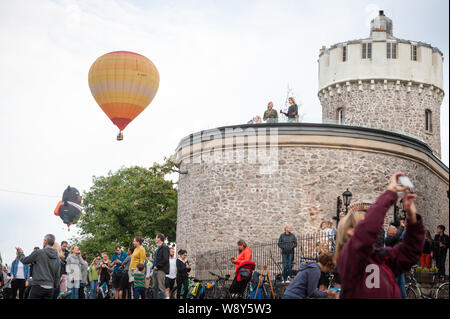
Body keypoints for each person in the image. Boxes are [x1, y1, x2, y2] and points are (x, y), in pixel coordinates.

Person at [335, 172, 425, 299]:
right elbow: (367, 229)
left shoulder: (380, 258)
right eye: (363, 222)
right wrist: (390, 193)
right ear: (350, 231)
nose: (372, 223)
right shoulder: (349, 257)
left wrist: (412, 218)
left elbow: (410, 252)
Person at [16, 234, 60, 299]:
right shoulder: (57, 257)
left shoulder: (38, 252)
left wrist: (20, 253)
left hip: (38, 286)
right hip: (50, 288)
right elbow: (57, 273)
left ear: (45, 241)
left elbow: (25, 260)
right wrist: (55, 286)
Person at [152, 233, 170, 299]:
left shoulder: (165, 247)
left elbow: (165, 259)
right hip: (155, 270)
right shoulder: (158, 248)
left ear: (159, 238)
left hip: (161, 270)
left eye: (156, 237)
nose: (155, 239)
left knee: (161, 288)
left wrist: (157, 266)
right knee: (154, 287)